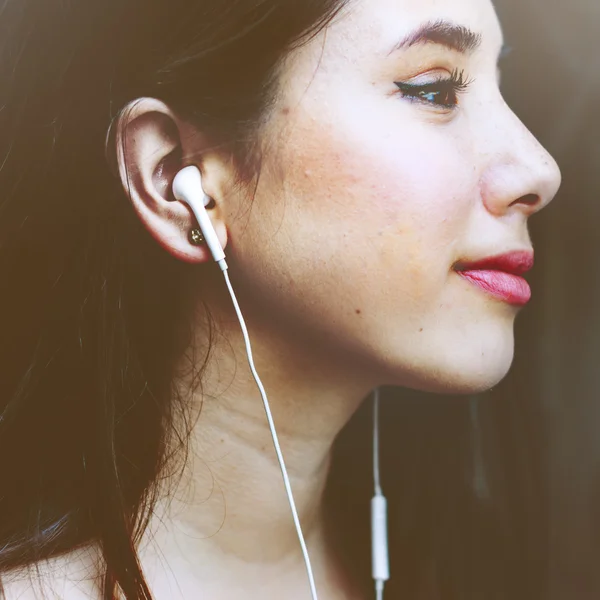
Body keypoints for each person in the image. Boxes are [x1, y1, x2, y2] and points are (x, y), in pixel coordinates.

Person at [0, 0, 561, 598]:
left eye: (502, 89)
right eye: (435, 90)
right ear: (176, 178)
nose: (540, 170)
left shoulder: (472, 569)